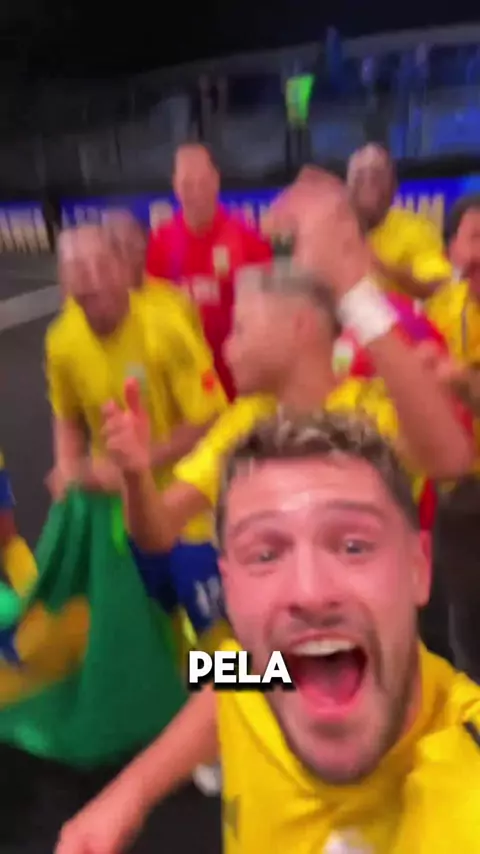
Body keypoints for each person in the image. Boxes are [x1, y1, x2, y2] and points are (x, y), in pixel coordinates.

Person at [56, 414, 480, 854]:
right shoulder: (259, 666)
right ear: (229, 588)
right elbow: (226, 685)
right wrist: (131, 792)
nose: (310, 593)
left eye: (353, 546)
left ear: (417, 567)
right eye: (264, 555)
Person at [102, 169, 472, 563]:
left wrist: (354, 292)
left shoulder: (370, 410)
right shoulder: (243, 426)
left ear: (299, 326)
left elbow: (450, 460)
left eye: (241, 329)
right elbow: (158, 530)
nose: (227, 348)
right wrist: (135, 474)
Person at [45, 224, 229, 642]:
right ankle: (183, 678)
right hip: (125, 517)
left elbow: (210, 419)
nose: (90, 277)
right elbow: (67, 414)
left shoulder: (166, 327)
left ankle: (238, 684)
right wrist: (67, 463)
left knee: (219, 637)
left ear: (121, 268)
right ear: (64, 281)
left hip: (189, 512)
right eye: (76, 268)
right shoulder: (61, 341)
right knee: (157, 624)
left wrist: (136, 463)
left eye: (99, 264)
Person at [145, 142, 273, 400]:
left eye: (202, 183)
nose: (196, 194)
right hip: (186, 390)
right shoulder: (160, 244)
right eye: (187, 185)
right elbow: (152, 318)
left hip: (239, 386)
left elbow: (270, 316)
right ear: (175, 186)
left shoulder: (248, 240)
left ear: (216, 181)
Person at [425, 193, 480, 681]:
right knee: (464, 629)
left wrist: (465, 385)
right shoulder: (439, 313)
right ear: (452, 251)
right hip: (459, 496)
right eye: (475, 238)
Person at [347, 144, 452, 299]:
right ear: (347, 187)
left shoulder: (418, 231)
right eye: (360, 177)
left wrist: (384, 270)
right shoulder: (330, 230)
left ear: (393, 187)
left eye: (376, 177)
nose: (368, 184)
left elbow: (439, 286)